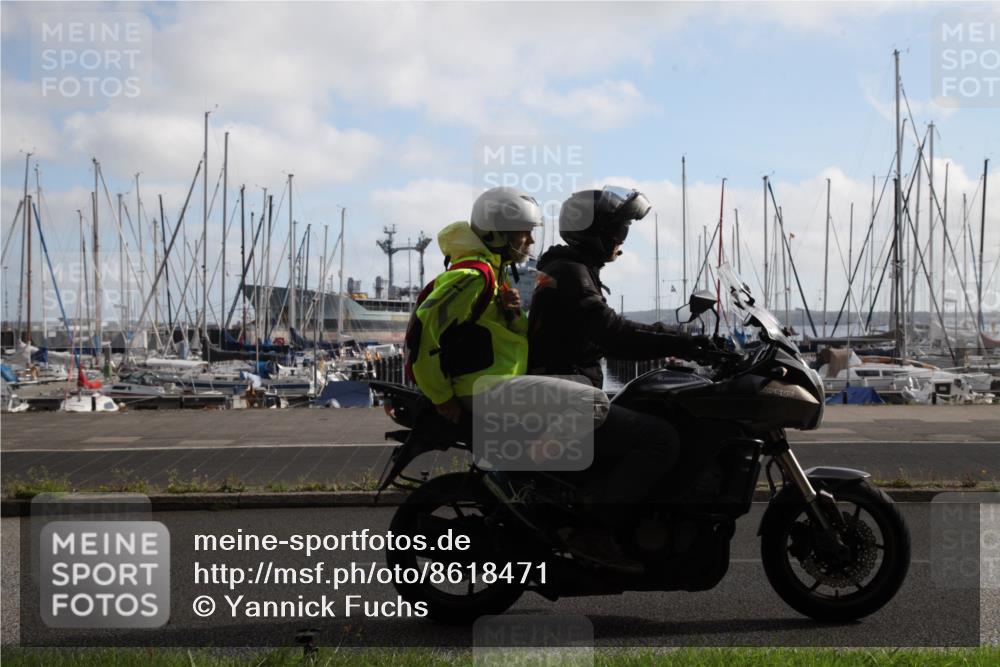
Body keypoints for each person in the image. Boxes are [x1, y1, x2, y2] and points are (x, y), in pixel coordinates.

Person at [528, 186, 712, 573]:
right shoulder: (571, 274)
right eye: (620, 231)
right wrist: (686, 342)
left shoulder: (570, 268)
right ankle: (593, 529)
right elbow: (612, 333)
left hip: (566, 387)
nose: (622, 242)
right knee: (659, 439)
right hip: (563, 392)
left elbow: (607, 334)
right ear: (596, 233)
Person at [409, 186, 541, 422]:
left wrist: (511, 313)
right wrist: (442, 398)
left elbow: (515, 332)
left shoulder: (494, 271)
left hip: (498, 385)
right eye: (525, 232)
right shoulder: (473, 277)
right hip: (483, 391)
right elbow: (423, 334)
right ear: (498, 233)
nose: (530, 240)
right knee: (589, 403)